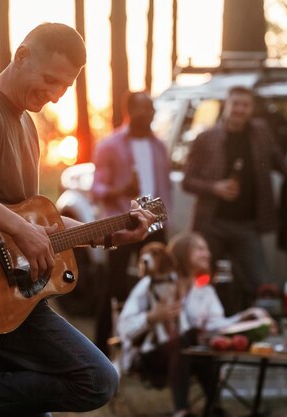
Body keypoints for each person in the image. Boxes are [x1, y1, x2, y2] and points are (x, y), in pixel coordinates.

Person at [0, 23, 158, 417]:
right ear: (21, 56)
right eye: (50, 80)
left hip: (14, 295)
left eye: (64, 87)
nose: (54, 95)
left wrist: (111, 234)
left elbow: (36, 226)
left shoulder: (26, 124)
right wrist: (20, 229)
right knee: (97, 379)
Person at [182, 85, 287, 314]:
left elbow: (277, 158)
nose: (240, 110)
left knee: (262, 283)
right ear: (226, 105)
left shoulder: (260, 132)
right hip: (212, 224)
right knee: (203, 280)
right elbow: (187, 181)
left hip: (247, 225)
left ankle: (258, 330)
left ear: (252, 108)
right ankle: (200, 329)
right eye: (236, 104)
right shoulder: (206, 138)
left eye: (245, 105)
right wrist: (215, 187)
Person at [117, 232, 274, 417]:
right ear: (183, 253)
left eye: (206, 249)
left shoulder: (205, 291)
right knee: (186, 340)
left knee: (199, 342)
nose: (207, 254)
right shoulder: (152, 283)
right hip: (149, 357)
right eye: (200, 248)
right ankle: (183, 411)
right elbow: (124, 326)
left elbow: (217, 325)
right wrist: (152, 317)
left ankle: (214, 409)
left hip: (189, 357)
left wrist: (247, 316)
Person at [91, 90, 172, 356]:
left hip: (155, 225)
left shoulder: (159, 146)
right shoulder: (110, 145)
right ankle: (101, 348)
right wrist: (122, 189)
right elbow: (97, 189)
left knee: (157, 285)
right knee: (114, 286)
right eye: (143, 110)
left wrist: (164, 220)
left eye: (151, 110)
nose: (148, 115)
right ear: (130, 111)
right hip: (122, 225)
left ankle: (148, 350)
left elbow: (164, 188)